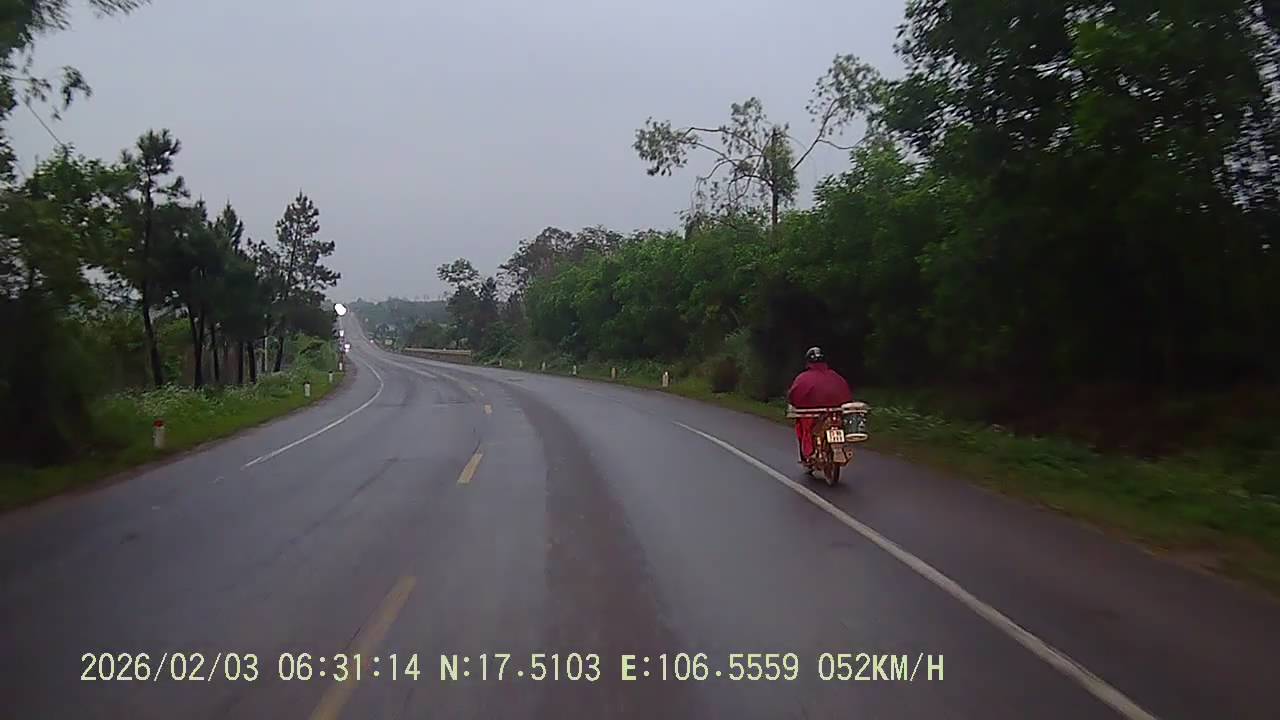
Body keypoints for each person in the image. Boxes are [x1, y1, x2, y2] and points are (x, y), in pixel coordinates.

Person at [787, 346, 853, 463]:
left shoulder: (803, 378)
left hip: (813, 413)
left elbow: (794, 395)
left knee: (805, 427)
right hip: (836, 412)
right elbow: (846, 395)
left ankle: (809, 453)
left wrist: (795, 404)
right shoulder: (836, 377)